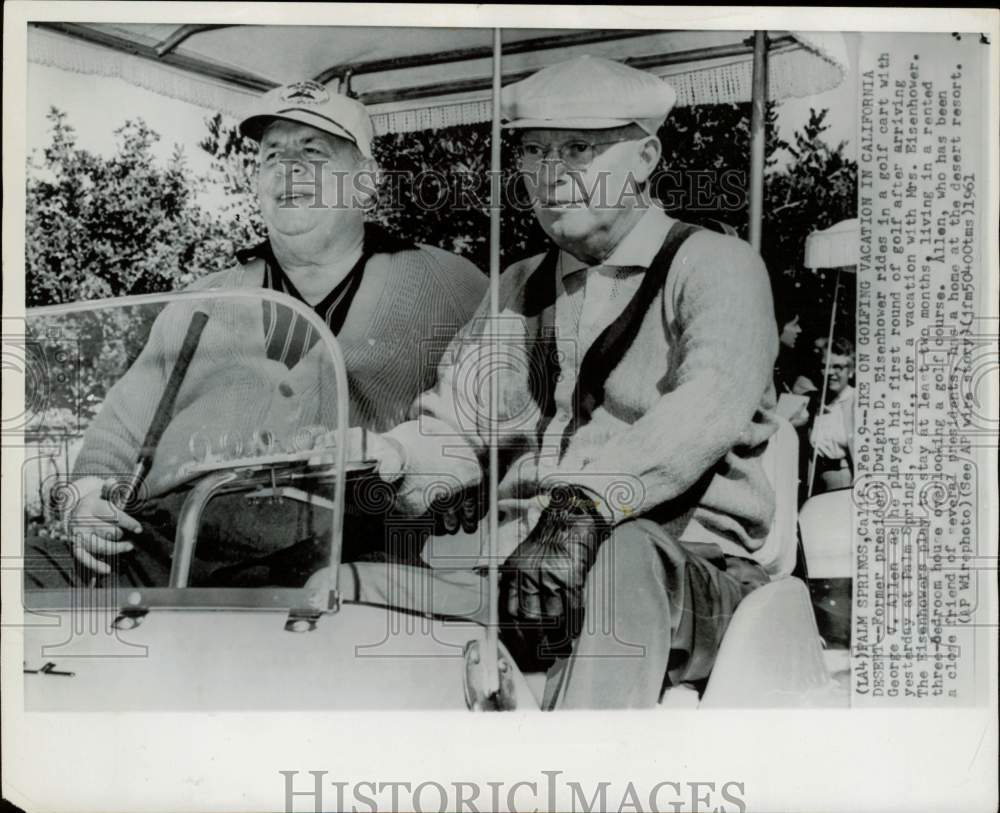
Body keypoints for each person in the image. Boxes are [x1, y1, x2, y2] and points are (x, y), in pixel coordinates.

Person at [312, 55, 781, 709]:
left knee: (618, 560)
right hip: (520, 570)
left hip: (688, 569)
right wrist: (379, 454)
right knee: (341, 590)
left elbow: (702, 408)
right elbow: (460, 422)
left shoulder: (717, 266)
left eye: (579, 149)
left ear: (645, 158)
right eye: (534, 151)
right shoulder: (519, 285)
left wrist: (582, 508)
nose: (550, 174)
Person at [26, 80, 486, 588]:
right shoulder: (202, 300)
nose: (289, 170)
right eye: (272, 156)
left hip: (343, 543)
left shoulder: (449, 284)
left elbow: (495, 416)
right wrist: (86, 502)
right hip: (168, 540)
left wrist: (452, 478)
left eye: (313, 152)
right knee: (25, 573)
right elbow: (116, 432)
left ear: (366, 181)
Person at [809, 336, 855, 492]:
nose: (830, 372)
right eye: (825, 366)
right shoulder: (814, 402)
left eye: (838, 367)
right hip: (815, 479)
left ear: (851, 371)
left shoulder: (858, 401)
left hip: (844, 480)